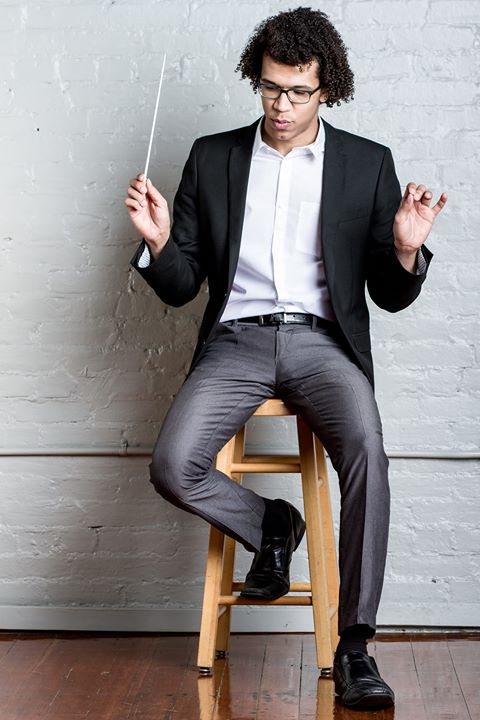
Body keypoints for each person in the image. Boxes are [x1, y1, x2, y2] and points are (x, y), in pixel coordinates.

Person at [125, 7, 447, 710]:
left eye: (299, 92)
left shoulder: (367, 164)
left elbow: (389, 296)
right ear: (258, 79)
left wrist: (404, 250)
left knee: (367, 452)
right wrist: (158, 243)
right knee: (172, 464)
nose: (282, 105)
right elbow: (181, 286)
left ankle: (355, 645)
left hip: (322, 343)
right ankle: (272, 523)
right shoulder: (214, 157)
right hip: (235, 341)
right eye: (271, 88)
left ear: (327, 89)